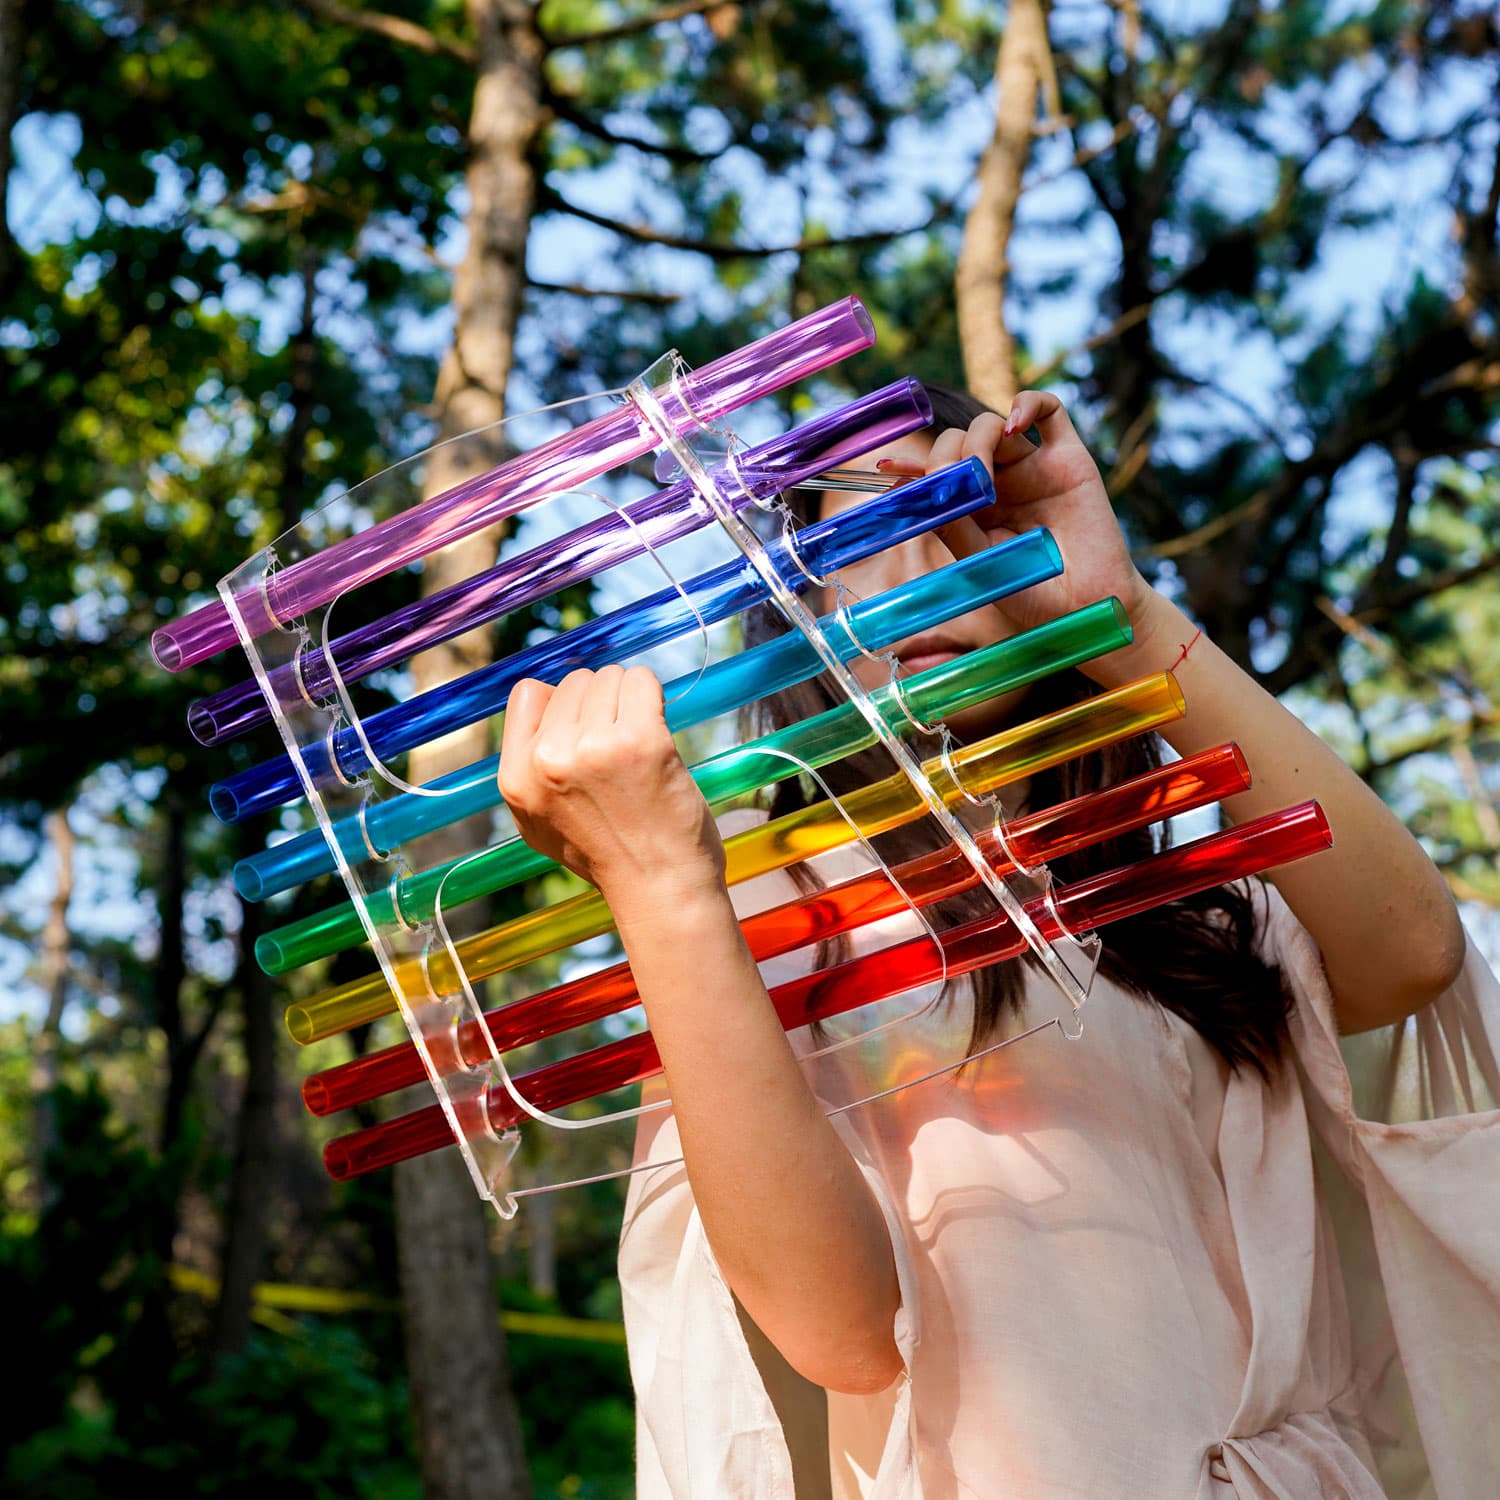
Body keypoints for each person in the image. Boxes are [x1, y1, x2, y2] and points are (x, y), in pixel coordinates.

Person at [496, 385, 1500, 1498]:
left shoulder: (1188, 906)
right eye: (857, 539)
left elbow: (1418, 952)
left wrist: (1121, 611)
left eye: (949, 514)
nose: (915, 566)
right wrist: (663, 890)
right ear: (801, 609)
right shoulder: (755, 917)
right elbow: (841, 1332)